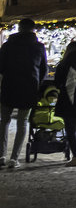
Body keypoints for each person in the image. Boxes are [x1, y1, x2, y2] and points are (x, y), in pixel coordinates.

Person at [0, 18, 50, 169]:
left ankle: (1, 155)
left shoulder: (8, 45)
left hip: (9, 86)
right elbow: (44, 69)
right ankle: (14, 158)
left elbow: (0, 66)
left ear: (19, 28)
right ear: (33, 29)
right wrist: (36, 82)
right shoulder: (38, 47)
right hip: (29, 88)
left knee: (4, 121)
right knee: (23, 122)